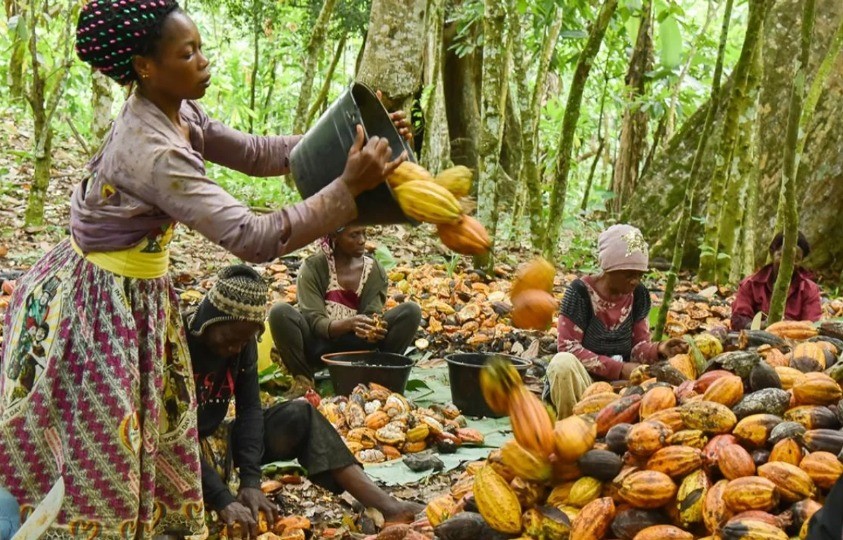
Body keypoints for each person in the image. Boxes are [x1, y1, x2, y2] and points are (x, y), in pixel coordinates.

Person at [0, 0, 408, 535]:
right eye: (188, 53)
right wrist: (348, 186)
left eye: (202, 48)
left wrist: (353, 145)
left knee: (145, 432)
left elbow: (259, 153)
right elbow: (250, 237)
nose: (204, 62)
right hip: (98, 305)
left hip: (137, 295)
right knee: (94, 443)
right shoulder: (152, 150)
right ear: (147, 66)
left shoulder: (178, 110)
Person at [187, 265, 423, 537]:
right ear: (210, 321)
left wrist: (251, 481)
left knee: (301, 414)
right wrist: (222, 498)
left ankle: (387, 505)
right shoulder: (177, 342)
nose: (236, 349)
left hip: (218, 442)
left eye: (244, 342)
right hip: (176, 451)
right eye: (230, 340)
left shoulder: (242, 343)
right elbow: (169, 435)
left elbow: (250, 409)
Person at [544, 224, 688, 419]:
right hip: (582, 383)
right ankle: (568, 427)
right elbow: (567, 347)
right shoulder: (580, 293)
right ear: (609, 268)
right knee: (561, 363)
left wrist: (658, 349)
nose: (635, 281)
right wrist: (619, 369)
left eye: (639, 275)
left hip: (622, 390)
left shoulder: (639, 295)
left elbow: (638, 346)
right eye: (628, 274)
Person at [268, 226, 421, 386]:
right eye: (354, 235)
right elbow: (314, 321)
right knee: (280, 313)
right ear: (335, 237)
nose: (362, 240)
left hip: (357, 346)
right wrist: (349, 324)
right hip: (318, 344)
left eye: (364, 233)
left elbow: (371, 314)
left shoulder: (374, 270)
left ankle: (381, 375)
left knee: (410, 311)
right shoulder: (313, 267)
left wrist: (372, 328)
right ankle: (304, 381)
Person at [730, 232, 822, 330]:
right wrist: (765, 326)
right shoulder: (751, 284)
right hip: (757, 339)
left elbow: (813, 325)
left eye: (796, 259)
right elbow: (738, 320)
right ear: (772, 254)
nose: (788, 263)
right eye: (782, 255)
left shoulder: (809, 289)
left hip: (795, 341)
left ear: (801, 261)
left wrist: (784, 327)